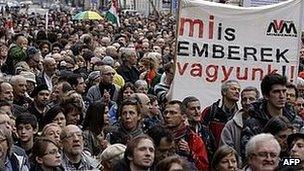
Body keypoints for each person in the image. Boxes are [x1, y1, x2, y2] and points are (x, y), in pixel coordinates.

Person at [241, 74, 303, 158]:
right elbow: (248, 156)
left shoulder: (296, 121)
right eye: (276, 92)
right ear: (266, 95)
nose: (282, 96)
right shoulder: (253, 124)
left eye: (284, 91)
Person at [163, 100, 209, 170]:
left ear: (183, 117)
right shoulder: (158, 135)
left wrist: (190, 153)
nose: (167, 116)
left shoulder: (193, 138)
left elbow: (204, 167)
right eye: (165, 112)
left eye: (173, 113)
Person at [220, 86, 260, 156]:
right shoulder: (231, 125)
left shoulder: (264, 122)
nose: (247, 102)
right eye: (244, 99)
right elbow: (225, 151)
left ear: (257, 101)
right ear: (241, 102)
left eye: (251, 99)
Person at [201, 80, 241, 147]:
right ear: (224, 92)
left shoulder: (239, 115)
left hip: (231, 154)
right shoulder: (210, 111)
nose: (237, 92)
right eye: (233, 89)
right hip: (212, 154)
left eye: (239, 90)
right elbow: (200, 132)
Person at [182, 96, 216, 162]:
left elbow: (212, 154)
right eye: (192, 109)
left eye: (198, 108)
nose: (197, 112)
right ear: (185, 111)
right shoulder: (181, 131)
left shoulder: (206, 131)